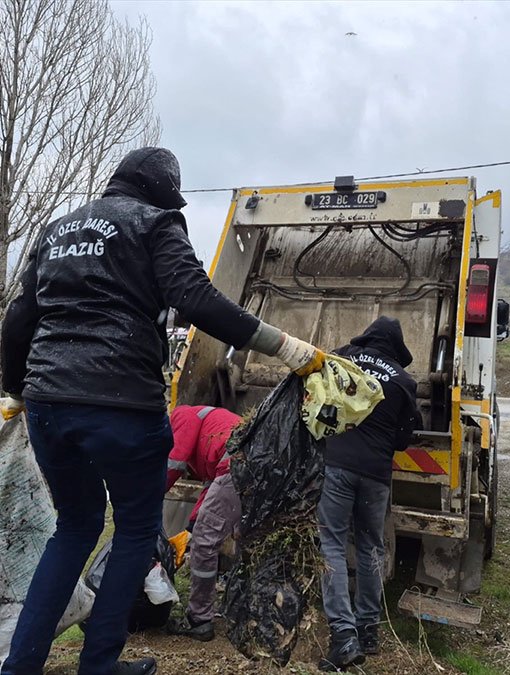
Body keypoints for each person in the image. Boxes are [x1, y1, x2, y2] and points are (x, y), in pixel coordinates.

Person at [0, 147, 325, 675]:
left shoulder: (57, 230)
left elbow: (19, 320)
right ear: (159, 193)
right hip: (122, 403)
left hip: (48, 404)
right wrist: (285, 347)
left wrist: (15, 390)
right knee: (134, 528)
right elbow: (195, 298)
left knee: (75, 526)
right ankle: (98, 665)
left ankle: (20, 666)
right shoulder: (154, 224)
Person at [317, 317, 422, 672]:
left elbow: (319, 396)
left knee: (331, 544)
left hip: (337, 467)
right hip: (376, 477)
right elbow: (404, 439)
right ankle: (368, 630)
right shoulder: (404, 381)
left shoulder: (343, 358)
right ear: (396, 347)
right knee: (370, 547)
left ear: (368, 337)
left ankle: (343, 636)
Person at [164, 404, 243, 642]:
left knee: (204, 543)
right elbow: (212, 487)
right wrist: (191, 526)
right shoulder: (213, 425)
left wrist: (148, 497)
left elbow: (174, 463)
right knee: (245, 540)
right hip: (252, 468)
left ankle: (199, 619)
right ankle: (241, 609)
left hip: (236, 467)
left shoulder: (180, 415)